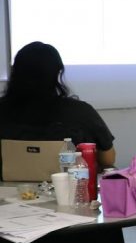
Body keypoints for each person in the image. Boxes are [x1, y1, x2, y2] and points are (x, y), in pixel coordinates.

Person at [0, 41, 115, 176]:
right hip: (69, 187)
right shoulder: (81, 112)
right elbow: (108, 159)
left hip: (6, 187)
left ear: (15, 72)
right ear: (57, 73)